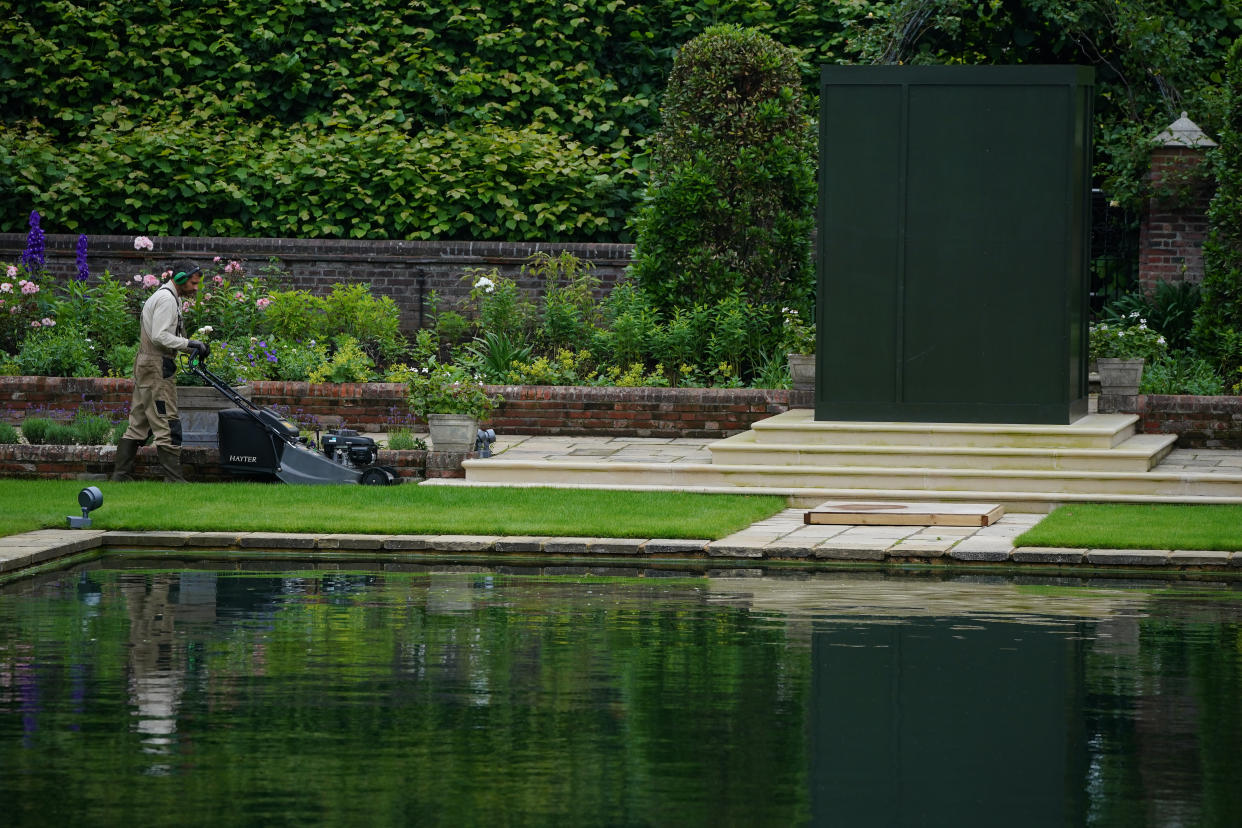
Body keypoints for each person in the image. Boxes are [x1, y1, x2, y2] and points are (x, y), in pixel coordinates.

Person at [112, 262, 209, 482]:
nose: (196, 288)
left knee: (138, 423)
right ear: (182, 278)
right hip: (157, 366)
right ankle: (174, 480)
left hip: (147, 365)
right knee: (167, 421)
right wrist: (190, 343)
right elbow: (160, 336)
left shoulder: (166, 296)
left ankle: (120, 476)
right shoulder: (166, 299)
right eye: (194, 283)